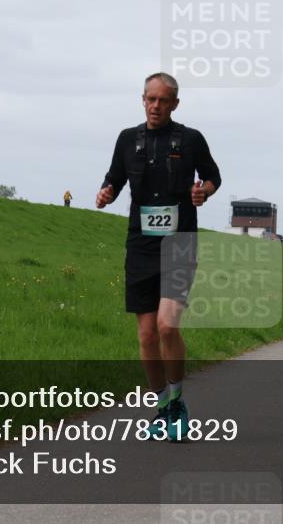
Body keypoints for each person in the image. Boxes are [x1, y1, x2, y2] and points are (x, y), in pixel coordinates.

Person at [96, 72, 221, 441]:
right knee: (147, 335)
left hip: (180, 241)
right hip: (141, 244)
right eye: (150, 99)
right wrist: (105, 193)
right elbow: (114, 180)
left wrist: (205, 192)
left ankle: (179, 402)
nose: (156, 106)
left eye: (163, 100)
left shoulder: (191, 139)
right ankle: (163, 405)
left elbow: (212, 176)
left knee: (168, 324)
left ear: (175, 104)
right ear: (143, 99)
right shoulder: (126, 139)